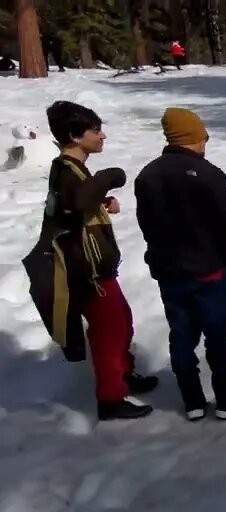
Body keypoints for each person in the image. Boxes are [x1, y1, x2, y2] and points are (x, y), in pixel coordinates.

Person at [21, 101, 158, 420]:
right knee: (109, 332)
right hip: (87, 272)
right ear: (74, 135)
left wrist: (102, 199)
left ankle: (122, 376)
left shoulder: (72, 170)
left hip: (95, 269)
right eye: (95, 130)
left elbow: (77, 204)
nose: (102, 136)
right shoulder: (67, 170)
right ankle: (111, 399)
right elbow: (79, 198)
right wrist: (113, 177)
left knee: (121, 323)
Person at [134, 107, 226, 421]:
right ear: (193, 136)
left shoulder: (147, 175)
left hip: (171, 274)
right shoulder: (207, 174)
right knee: (218, 339)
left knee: (182, 337)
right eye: (203, 135)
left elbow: (146, 224)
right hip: (212, 274)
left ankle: (192, 401)